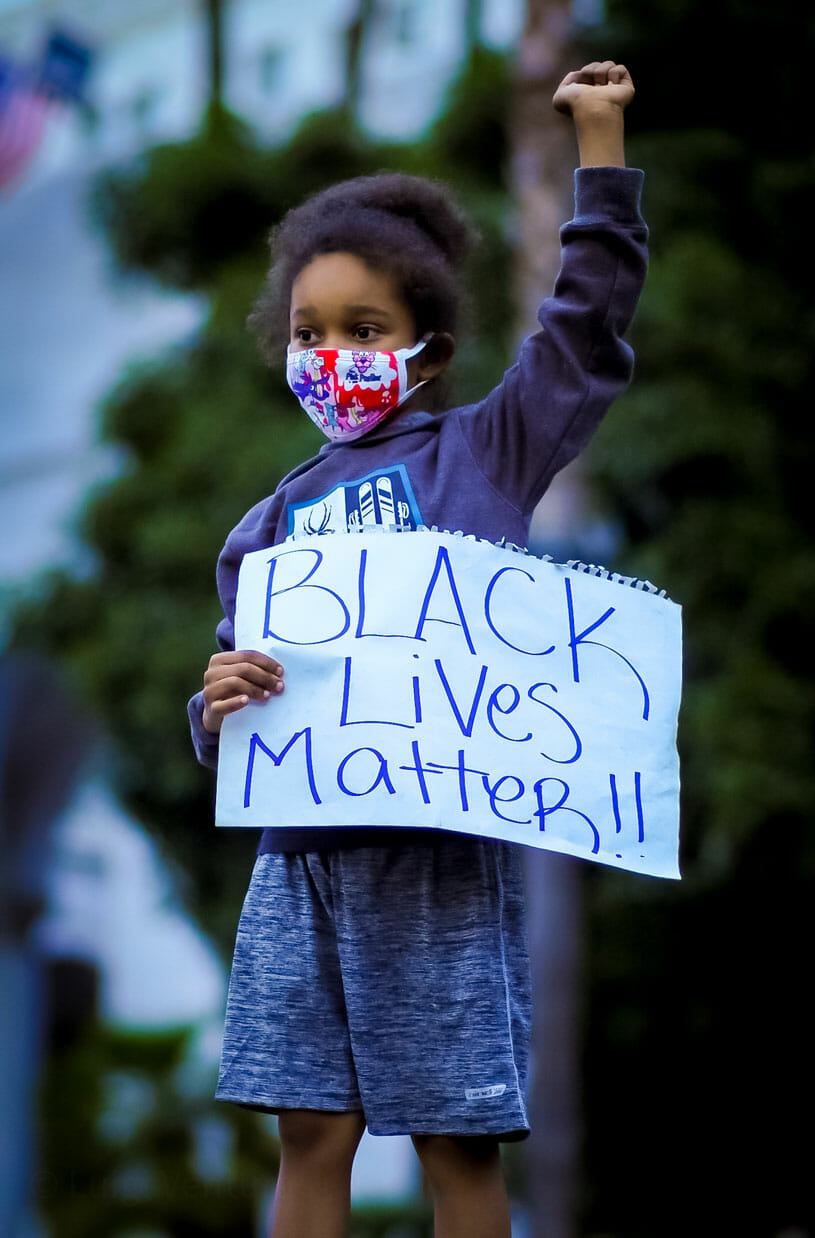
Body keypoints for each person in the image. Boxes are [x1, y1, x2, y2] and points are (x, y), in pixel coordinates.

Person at [188, 60, 647, 1238]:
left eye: (363, 329)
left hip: (436, 858)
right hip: (299, 867)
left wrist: (601, 149)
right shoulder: (265, 524)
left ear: (428, 351)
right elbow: (233, 723)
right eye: (309, 330)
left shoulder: (482, 456)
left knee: (455, 1131)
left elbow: (584, 328)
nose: (329, 351)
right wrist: (217, 703)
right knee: (308, 1127)